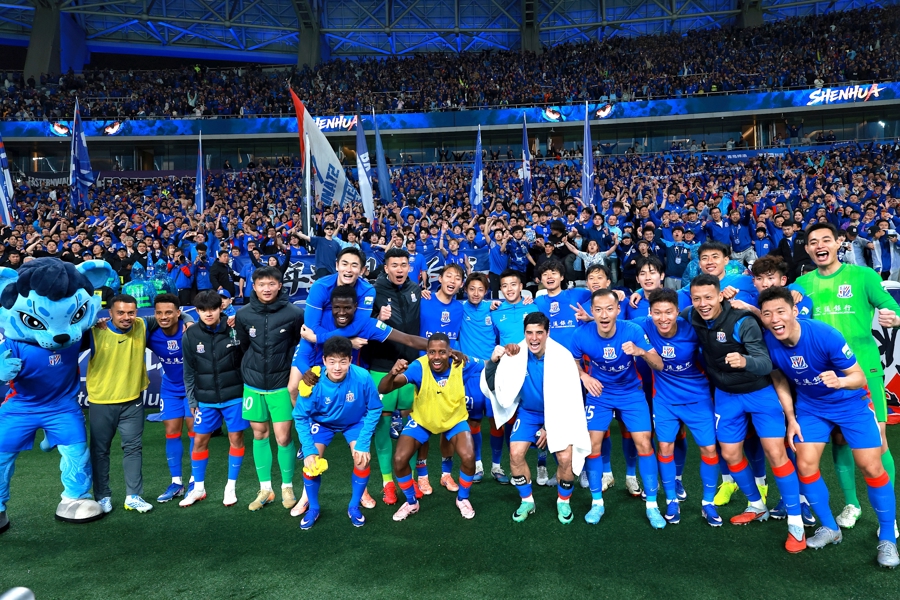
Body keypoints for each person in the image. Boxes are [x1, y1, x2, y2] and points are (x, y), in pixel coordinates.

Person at [758, 286, 899, 568]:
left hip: (851, 404)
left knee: (871, 467)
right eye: (767, 314)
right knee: (805, 465)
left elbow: (859, 377)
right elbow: (779, 378)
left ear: (794, 311)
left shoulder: (824, 335)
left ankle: (888, 537)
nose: (774, 319)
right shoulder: (769, 341)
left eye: (780, 311)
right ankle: (830, 528)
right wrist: (791, 418)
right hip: (811, 408)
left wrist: (840, 381)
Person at [685, 274, 806, 552]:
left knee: (776, 453)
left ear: (720, 296)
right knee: (729, 454)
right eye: (697, 298)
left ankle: (796, 522)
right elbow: (667, 314)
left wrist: (744, 360)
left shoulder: (742, 320)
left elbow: (765, 363)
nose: (703, 304)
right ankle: (756, 505)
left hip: (759, 393)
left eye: (708, 297)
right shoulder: (692, 315)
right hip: (726, 397)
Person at [794, 222, 900, 531]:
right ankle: (851, 504)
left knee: (878, 441)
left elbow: (893, 311)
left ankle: (889, 517)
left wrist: (894, 318)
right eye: (813, 241)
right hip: (825, 377)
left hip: (864, 371)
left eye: (826, 239)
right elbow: (776, 307)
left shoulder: (863, 276)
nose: (820, 245)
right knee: (840, 440)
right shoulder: (802, 284)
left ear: (839, 242)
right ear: (807, 248)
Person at [482, 312, 590, 525]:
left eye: (539, 332)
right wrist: (493, 361)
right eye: (529, 333)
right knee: (515, 454)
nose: (534, 338)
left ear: (547, 333)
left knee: (565, 459)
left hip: (559, 413)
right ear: (524, 333)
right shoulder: (516, 354)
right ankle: (527, 501)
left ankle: (563, 501)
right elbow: (493, 385)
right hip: (529, 413)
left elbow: (570, 398)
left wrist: (549, 427)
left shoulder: (563, 356)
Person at [572, 289, 666, 528]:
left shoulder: (632, 330)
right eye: (598, 310)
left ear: (617, 310)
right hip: (600, 394)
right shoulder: (581, 334)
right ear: (592, 312)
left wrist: (640, 352)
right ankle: (597, 502)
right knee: (592, 444)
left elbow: (659, 364)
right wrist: (583, 376)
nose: (604, 315)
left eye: (609, 309)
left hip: (631, 393)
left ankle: (652, 505)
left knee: (644, 443)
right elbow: (572, 361)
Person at [636, 288, 722, 526]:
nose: (663, 318)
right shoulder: (644, 325)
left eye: (668, 312)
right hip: (665, 400)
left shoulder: (693, 329)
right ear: (650, 313)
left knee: (709, 450)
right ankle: (671, 500)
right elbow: (617, 325)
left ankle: (708, 503)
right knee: (665, 447)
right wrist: (591, 318)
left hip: (698, 398)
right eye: (657, 312)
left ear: (677, 312)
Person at [377, 334, 479, 521]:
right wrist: (392, 373)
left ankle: (462, 499)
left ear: (450, 352)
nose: (436, 357)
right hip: (423, 420)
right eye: (432, 352)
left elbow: (488, 364)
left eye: (442, 352)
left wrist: (500, 355)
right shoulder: (418, 367)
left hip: (454, 419)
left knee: (468, 456)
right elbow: (383, 389)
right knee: (399, 459)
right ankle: (411, 502)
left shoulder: (461, 363)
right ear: (426, 352)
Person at [234, 266, 305, 512]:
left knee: (283, 437)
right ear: (254, 287)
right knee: (259, 435)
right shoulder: (243, 314)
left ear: (279, 286)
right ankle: (266, 489)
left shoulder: (295, 313)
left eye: (271, 284)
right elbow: (244, 346)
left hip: (281, 385)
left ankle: (287, 486)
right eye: (261, 284)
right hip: (253, 385)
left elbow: (299, 347)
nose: (266, 289)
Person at [293, 336, 382, 529]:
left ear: (350, 360)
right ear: (324, 361)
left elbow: (375, 408)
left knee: (362, 460)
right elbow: (300, 416)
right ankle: (313, 508)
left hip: (354, 422)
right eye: (332, 361)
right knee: (312, 464)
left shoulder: (363, 377)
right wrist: (308, 450)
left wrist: (363, 442)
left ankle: (353, 506)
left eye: (343, 361)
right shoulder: (312, 381)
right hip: (322, 423)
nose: (337, 367)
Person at [363, 248, 423, 505]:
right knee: (383, 426)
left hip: (411, 367)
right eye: (394, 265)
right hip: (381, 366)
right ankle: (388, 482)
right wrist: (377, 317)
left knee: (412, 427)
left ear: (409, 267)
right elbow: (360, 327)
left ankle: (409, 479)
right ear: (386, 268)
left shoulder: (416, 290)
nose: (400, 269)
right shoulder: (372, 292)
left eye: (404, 264)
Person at [178, 290, 249, 508]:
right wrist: (192, 400)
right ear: (197, 311)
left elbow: (247, 359)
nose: (208, 314)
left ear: (221, 308)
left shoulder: (235, 329)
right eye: (203, 310)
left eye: (213, 309)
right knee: (199, 441)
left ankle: (230, 487)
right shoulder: (190, 335)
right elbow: (188, 371)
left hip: (235, 396)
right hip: (205, 399)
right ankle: (198, 488)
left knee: (236, 439)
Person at [84, 294, 152, 513]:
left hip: (132, 402)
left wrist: (188, 321)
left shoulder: (142, 325)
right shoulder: (95, 332)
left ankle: (133, 496)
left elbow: (173, 317)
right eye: (120, 312)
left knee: (133, 449)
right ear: (110, 313)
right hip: (102, 402)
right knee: (100, 452)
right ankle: (103, 496)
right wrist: (89, 323)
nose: (126, 317)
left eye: (131, 312)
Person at [145, 293, 197, 503]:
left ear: (178, 313)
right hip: (170, 389)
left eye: (168, 312)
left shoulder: (190, 331)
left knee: (195, 433)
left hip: (193, 389)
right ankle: (176, 483)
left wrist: (189, 320)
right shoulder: (151, 334)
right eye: (159, 313)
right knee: (171, 433)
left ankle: (195, 481)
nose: (163, 317)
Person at [492, 269, 540, 345]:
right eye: (505, 286)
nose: (509, 289)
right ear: (501, 289)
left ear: (520, 286)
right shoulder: (495, 312)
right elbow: (494, 339)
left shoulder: (534, 308)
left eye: (513, 284)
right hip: (506, 352)